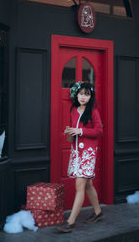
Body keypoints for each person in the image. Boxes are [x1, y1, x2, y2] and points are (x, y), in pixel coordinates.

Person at [57, 82, 103, 233]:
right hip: (76, 152)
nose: (83, 97)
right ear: (76, 95)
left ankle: (70, 222)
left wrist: (81, 131)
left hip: (88, 153)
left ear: (91, 97)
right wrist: (69, 133)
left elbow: (99, 131)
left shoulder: (93, 112)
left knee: (80, 185)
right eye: (81, 94)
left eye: (87, 94)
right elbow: (73, 134)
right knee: (88, 184)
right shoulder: (73, 110)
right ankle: (98, 213)